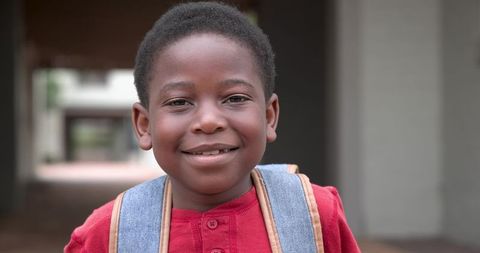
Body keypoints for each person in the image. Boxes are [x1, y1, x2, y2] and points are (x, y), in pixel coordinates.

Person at [64, 2, 360, 252]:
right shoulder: (107, 235)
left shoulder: (315, 216)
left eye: (234, 98)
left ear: (269, 116)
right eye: (179, 102)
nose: (208, 121)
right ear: (145, 125)